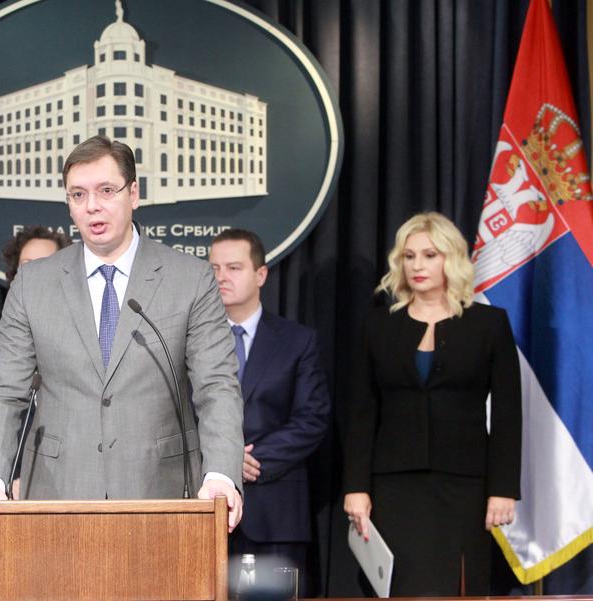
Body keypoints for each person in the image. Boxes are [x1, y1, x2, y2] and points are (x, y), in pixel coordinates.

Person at [0, 135, 244, 534]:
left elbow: (217, 387)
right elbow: (3, 392)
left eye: (106, 190)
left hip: (161, 492)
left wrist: (221, 475)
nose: (92, 205)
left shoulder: (190, 278)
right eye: (78, 194)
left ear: (134, 194)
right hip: (57, 494)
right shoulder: (33, 283)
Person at [343, 212, 521, 595]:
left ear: (450, 259)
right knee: (400, 587)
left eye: (429, 255)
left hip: (464, 486)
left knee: (457, 587)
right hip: (393, 486)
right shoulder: (378, 326)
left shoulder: (489, 324)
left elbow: (508, 414)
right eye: (409, 256)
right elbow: (361, 413)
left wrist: (503, 489)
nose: (417, 266)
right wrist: (356, 487)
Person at [208, 229, 330, 586]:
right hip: (207, 511)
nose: (221, 277)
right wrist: (223, 457)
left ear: (260, 274)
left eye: (233, 267)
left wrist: (248, 459)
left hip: (275, 511)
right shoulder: (189, 341)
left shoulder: (297, 341)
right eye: (214, 268)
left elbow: (312, 418)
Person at [0, 225, 72, 436]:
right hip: (12, 452)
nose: (36, 273)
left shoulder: (83, 329)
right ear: (14, 274)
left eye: (46, 263)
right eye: (27, 265)